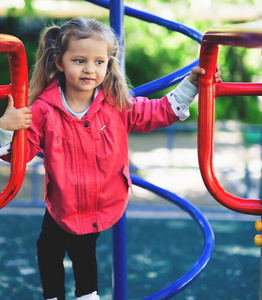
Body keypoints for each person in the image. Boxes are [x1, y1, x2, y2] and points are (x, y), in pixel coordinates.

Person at [0, 17, 221, 300]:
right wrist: (6, 128)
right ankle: (65, 295)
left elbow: (160, 111)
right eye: (79, 61)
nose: (90, 69)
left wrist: (192, 84)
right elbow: (20, 154)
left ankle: (87, 294)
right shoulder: (44, 108)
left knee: (80, 248)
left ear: (108, 64)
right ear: (59, 62)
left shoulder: (117, 105)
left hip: (100, 199)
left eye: (98, 62)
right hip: (62, 200)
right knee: (49, 250)